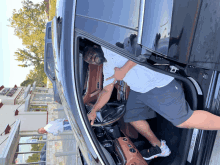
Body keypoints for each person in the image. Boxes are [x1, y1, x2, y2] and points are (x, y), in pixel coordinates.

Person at [85, 42, 171, 160]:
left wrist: (123, 71)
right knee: (132, 116)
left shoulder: (109, 46)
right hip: (142, 86)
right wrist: (94, 110)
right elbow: (106, 90)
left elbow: (140, 53)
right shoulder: (107, 67)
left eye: (90, 55)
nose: (91, 59)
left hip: (155, 75)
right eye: (90, 61)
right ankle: (159, 147)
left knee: (183, 119)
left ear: (95, 47)